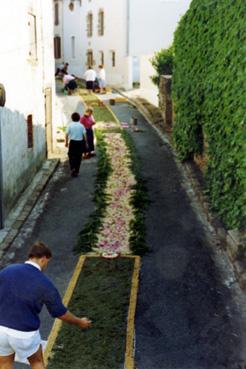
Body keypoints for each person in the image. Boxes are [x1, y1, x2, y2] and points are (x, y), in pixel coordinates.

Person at [0, 242, 91, 369]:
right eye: (47, 262)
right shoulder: (44, 283)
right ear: (43, 259)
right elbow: (60, 313)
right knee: (37, 363)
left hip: (1, 330)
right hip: (25, 333)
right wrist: (80, 322)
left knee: (4, 364)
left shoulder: (8, 270)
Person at [65, 112, 88, 177]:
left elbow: (66, 134)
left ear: (72, 118)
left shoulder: (70, 125)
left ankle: (72, 168)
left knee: (71, 155)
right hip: (80, 143)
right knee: (78, 157)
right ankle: (77, 171)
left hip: (72, 142)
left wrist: (66, 142)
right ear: (79, 118)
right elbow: (85, 135)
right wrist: (86, 143)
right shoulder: (81, 126)